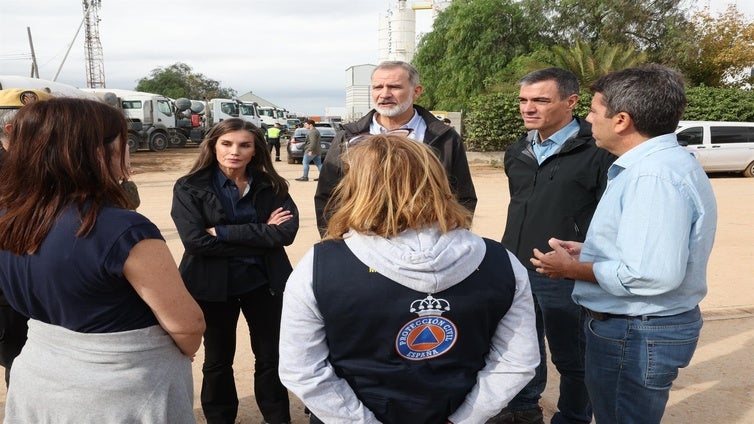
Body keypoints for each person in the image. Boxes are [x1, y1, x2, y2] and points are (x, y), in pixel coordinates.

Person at [279, 134, 539, 424]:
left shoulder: (319, 265)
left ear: (357, 187)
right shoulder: (501, 261)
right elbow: (518, 360)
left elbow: (301, 368)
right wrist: (466, 418)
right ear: (438, 180)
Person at [530, 64, 717, 424]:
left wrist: (573, 269)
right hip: (639, 328)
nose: (587, 118)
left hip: (636, 331)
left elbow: (652, 275)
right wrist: (590, 252)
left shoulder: (652, 176)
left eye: (594, 110)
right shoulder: (658, 165)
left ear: (621, 120)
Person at [0, 98, 205, 422]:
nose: (128, 151)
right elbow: (187, 325)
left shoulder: (10, 217)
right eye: (121, 142)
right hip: (118, 393)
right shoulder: (123, 229)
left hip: (40, 378)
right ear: (95, 151)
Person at [491, 68, 615, 424]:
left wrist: (582, 259)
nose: (528, 108)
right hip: (515, 268)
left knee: (572, 357)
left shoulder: (598, 149)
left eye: (540, 100)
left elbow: (609, 217)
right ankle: (525, 409)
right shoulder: (518, 149)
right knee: (521, 350)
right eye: (524, 100)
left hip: (565, 272)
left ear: (571, 102)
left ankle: (574, 417)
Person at [171, 117, 298, 424]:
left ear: (256, 150)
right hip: (213, 288)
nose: (235, 152)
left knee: (270, 358)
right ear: (213, 146)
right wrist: (261, 235)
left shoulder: (272, 186)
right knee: (217, 360)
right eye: (226, 144)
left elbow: (285, 234)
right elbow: (196, 241)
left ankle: (278, 418)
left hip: (264, 284)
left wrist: (224, 232)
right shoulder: (190, 187)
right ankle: (219, 419)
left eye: (244, 145)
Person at [314, 60, 477, 235]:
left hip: (426, 247)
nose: (384, 94)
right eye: (378, 87)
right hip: (361, 244)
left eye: (394, 87)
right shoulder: (348, 137)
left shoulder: (444, 137)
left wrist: (448, 239)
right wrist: (336, 241)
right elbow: (328, 196)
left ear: (416, 91)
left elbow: (463, 197)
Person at [0, 89, 54, 387]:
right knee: (22, 368)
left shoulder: (47, 163)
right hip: (11, 295)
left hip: (49, 288)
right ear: (12, 130)